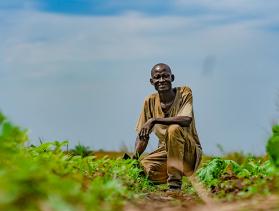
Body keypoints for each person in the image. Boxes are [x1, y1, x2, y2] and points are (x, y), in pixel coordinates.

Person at [132, 63, 202, 191]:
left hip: (189, 153)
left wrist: (154, 120)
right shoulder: (150, 101)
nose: (161, 80)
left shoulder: (184, 92)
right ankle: (153, 182)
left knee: (173, 129)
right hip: (165, 153)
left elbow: (186, 119)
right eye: (157, 77)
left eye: (165, 76)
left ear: (172, 78)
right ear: (152, 81)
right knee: (140, 168)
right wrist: (133, 159)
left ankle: (174, 186)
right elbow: (143, 135)